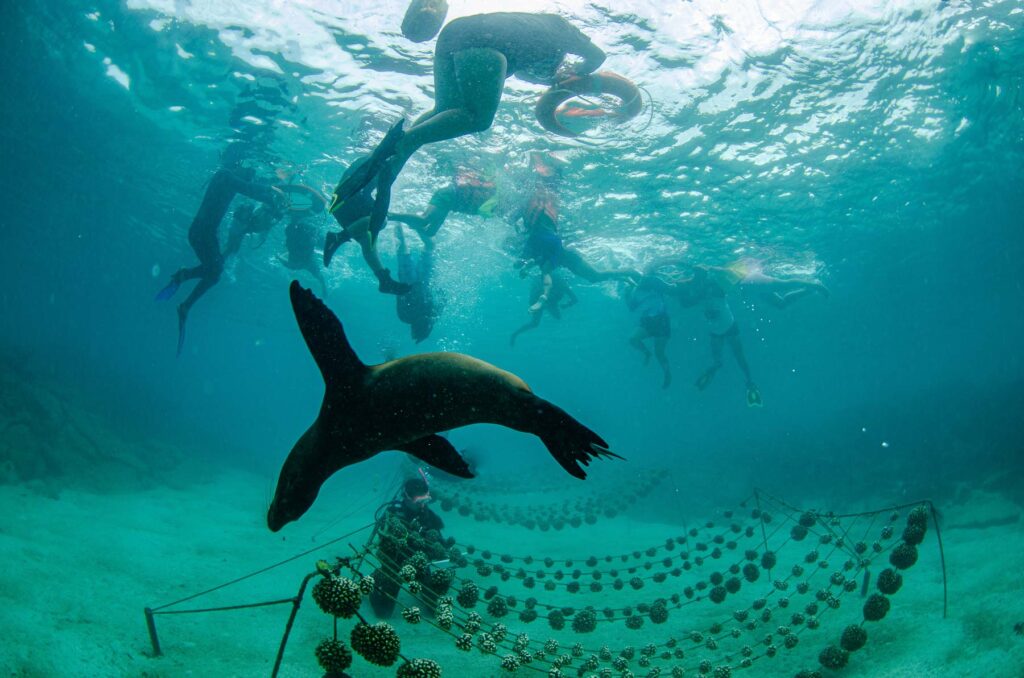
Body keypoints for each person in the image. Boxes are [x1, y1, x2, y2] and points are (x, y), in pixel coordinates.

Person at [329, 11, 607, 235]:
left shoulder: (542, 27)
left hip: (455, 33)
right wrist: (578, 72)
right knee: (477, 118)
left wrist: (554, 76)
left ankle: (372, 175)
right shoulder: (567, 35)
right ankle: (400, 146)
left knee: (444, 111)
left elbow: (527, 68)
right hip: (488, 43)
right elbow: (598, 56)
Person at [155, 168, 286, 355]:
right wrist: (272, 193)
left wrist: (272, 200)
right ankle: (184, 295)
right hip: (200, 233)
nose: (251, 176)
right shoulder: (224, 176)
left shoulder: (231, 179)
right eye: (248, 173)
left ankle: (183, 281)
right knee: (215, 272)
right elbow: (247, 187)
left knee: (216, 271)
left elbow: (249, 187)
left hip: (207, 234)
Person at [369, 474, 453, 619]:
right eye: (418, 500)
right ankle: (374, 581)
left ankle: (379, 577)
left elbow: (439, 540)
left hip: (420, 562)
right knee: (383, 613)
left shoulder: (428, 515)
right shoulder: (393, 513)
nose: (422, 504)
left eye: (425, 499)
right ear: (406, 497)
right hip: (395, 562)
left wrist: (444, 549)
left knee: (434, 610)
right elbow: (383, 540)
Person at [323, 157, 411, 295]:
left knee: (367, 238)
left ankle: (384, 279)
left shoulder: (374, 157)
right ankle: (339, 237)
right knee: (381, 220)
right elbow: (382, 189)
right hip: (348, 199)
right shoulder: (384, 159)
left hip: (341, 203)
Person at [388, 165, 498, 239]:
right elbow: (480, 185)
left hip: (450, 204)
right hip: (448, 194)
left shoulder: (486, 210)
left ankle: (409, 219)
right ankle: (388, 215)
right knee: (424, 220)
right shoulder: (489, 192)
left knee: (430, 233)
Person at [394, 224, 442, 343]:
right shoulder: (430, 315)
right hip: (417, 281)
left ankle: (406, 222)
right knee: (427, 246)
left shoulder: (431, 315)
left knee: (406, 247)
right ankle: (414, 223)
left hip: (415, 280)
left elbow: (399, 296)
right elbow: (399, 296)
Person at [625, 274, 674, 388]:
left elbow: (670, 288)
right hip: (647, 321)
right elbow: (631, 308)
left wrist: (672, 280)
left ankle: (667, 373)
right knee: (632, 339)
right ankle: (646, 353)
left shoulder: (655, 284)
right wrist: (627, 295)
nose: (641, 281)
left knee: (659, 352)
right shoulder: (635, 290)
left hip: (662, 320)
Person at [509, 269, 577, 347]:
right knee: (535, 323)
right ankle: (515, 334)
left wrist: (566, 305)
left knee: (557, 317)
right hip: (538, 301)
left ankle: (515, 334)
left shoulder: (563, 286)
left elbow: (574, 299)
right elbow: (574, 299)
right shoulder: (555, 283)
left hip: (550, 302)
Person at [278, 219, 328, 297]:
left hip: (303, 259)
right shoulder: (297, 235)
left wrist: (279, 257)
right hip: (303, 259)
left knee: (317, 275)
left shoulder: (297, 235)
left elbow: (288, 263)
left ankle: (324, 291)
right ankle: (324, 291)